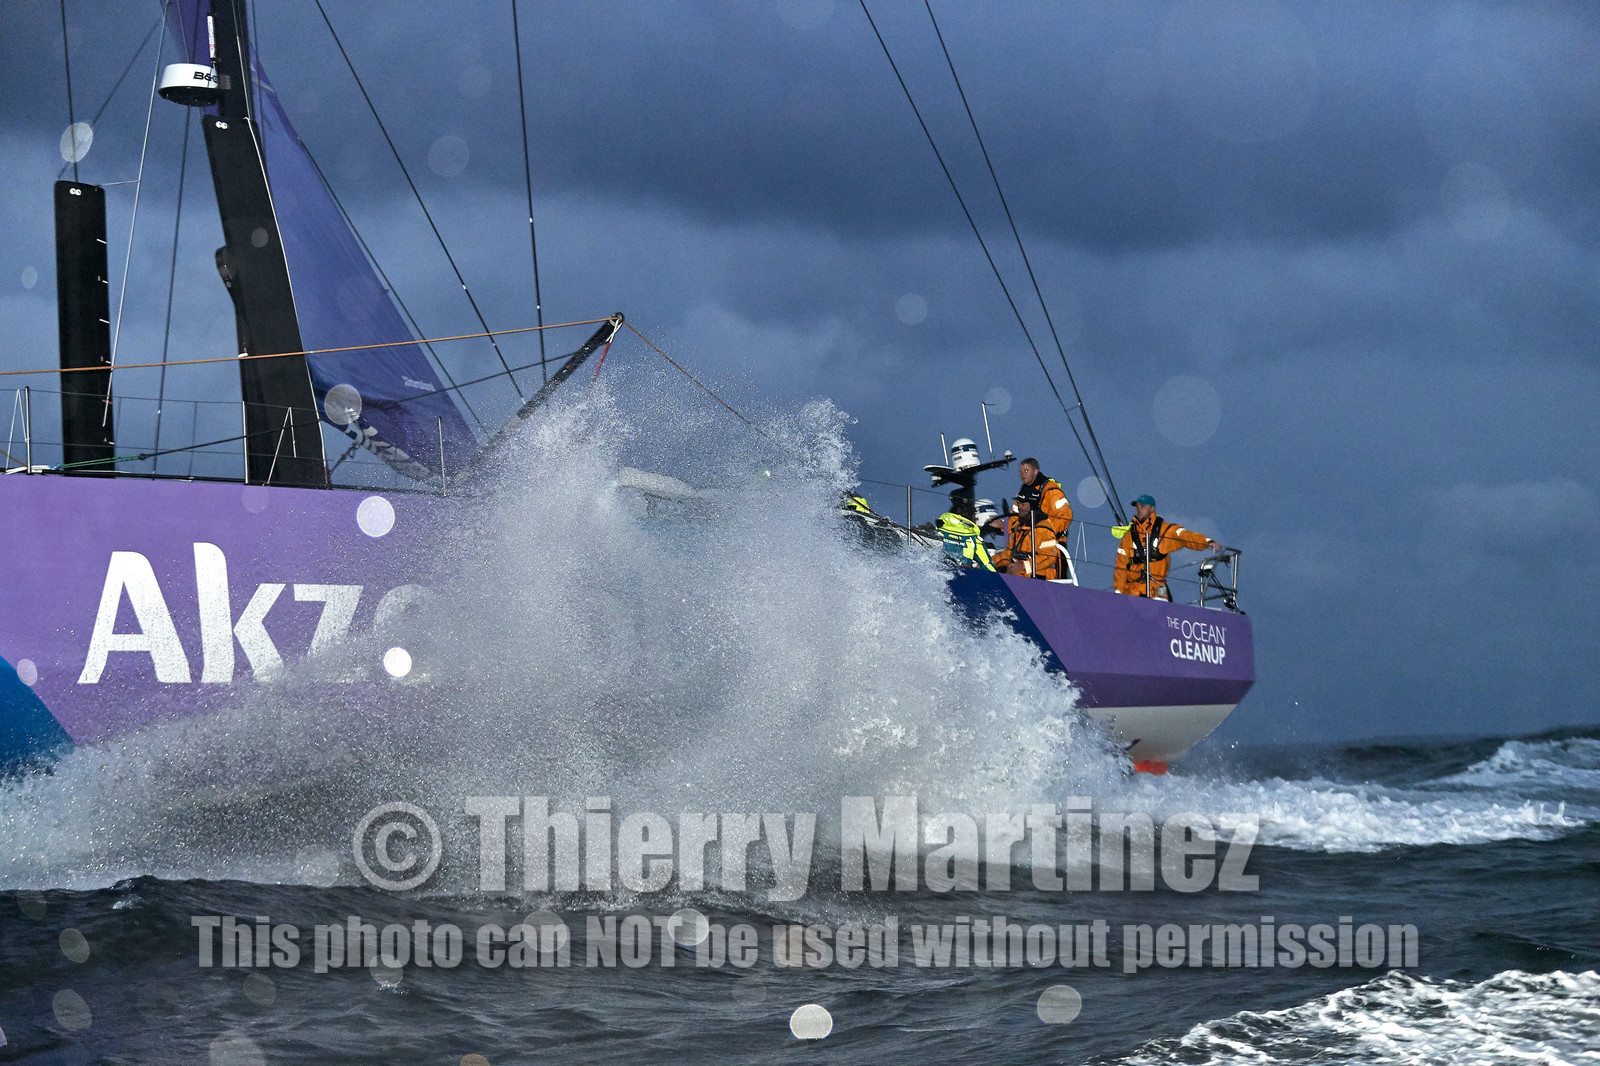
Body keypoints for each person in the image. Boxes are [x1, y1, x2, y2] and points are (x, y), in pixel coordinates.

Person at [1114, 494, 1219, 599]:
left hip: (1158, 591)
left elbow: (1185, 536)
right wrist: (1119, 594)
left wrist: (1206, 542)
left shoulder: (1164, 530)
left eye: (1143, 506)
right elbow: (1120, 567)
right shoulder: (1128, 537)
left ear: (1152, 509)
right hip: (1133, 592)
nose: (1139, 510)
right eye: (1137, 506)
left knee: (1163, 608)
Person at [991, 458, 1072, 580]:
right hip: (1027, 543)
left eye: (1026, 470)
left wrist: (1041, 530)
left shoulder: (1051, 490)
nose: (1022, 474)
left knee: (1055, 581)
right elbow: (1015, 517)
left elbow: (1065, 517)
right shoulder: (1023, 493)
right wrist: (1003, 525)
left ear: (1035, 472)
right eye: (1020, 471)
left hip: (1052, 544)